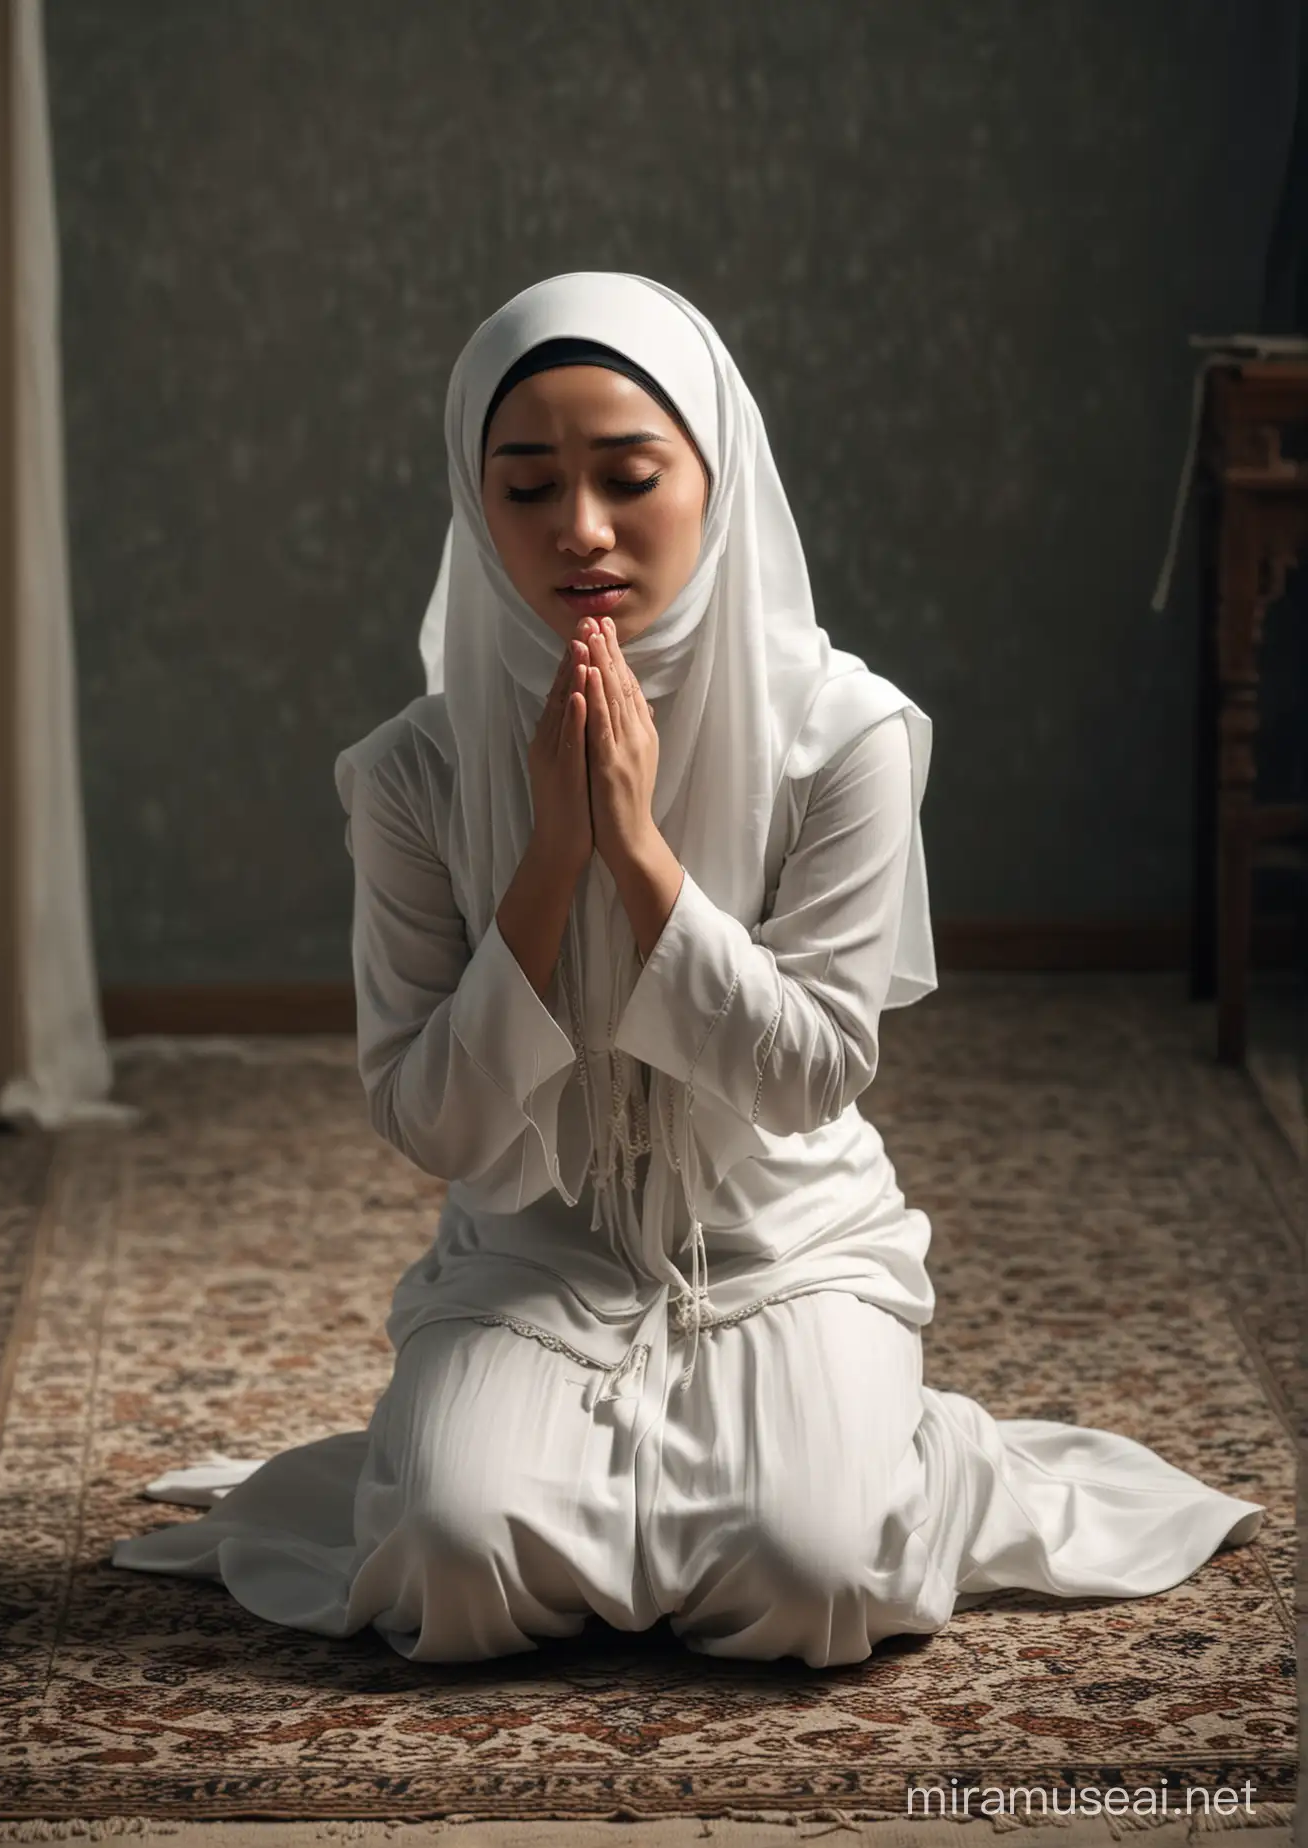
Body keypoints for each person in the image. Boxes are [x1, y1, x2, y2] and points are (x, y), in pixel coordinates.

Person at [108, 271, 1264, 1668]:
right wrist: (545, 861)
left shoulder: (847, 738)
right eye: (527, 487)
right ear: (477, 509)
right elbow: (434, 1124)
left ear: (715, 478)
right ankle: (506, 1437)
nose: (579, 530)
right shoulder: (413, 774)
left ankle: (924, 1453)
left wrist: (644, 859)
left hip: (785, 1246)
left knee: (815, 1576)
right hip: (532, 1253)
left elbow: (811, 1074)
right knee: (455, 1567)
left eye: (629, 475)